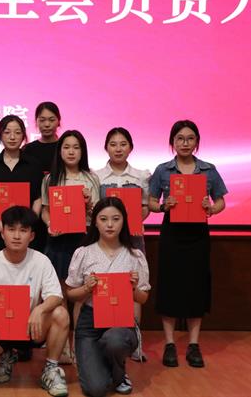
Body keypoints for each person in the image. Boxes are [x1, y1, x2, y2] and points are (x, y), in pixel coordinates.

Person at [0, 206, 70, 397]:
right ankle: (5, 355)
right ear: (2, 233)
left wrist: (39, 309)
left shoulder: (41, 261)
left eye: (23, 230)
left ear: (32, 236)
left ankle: (51, 369)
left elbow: (56, 295)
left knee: (60, 313)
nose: (16, 236)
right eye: (11, 229)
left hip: (32, 328)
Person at [148, 120, 227, 369]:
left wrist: (211, 208)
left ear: (197, 142)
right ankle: (170, 344)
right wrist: (164, 206)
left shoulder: (208, 170)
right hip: (172, 234)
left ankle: (193, 344)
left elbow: (221, 201)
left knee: (196, 285)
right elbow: (151, 201)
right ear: (172, 142)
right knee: (170, 285)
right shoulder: (163, 170)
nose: (185, 143)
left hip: (198, 235)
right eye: (180, 138)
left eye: (190, 138)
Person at [66, 197, 150, 396]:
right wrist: (86, 288)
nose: (110, 224)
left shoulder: (135, 255)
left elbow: (143, 298)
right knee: (95, 389)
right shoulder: (83, 253)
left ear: (124, 221)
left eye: (116, 219)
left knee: (115, 340)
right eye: (103, 219)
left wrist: (133, 289)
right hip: (89, 321)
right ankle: (101, 364)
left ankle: (119, 372)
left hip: (121, 321)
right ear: (95, 222)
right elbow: (70, 293)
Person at [41, 130, 99, 364]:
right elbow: (45, 210)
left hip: (82, 241)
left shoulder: (91, 178)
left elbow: (97, 213)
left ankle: (79, 344)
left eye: (76, 147)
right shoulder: (50, 179)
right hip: (58, 241)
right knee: (61, 293)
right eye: (66, 147)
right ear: (60, 151)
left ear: (82, 151)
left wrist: (88, 203)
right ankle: (63, 345)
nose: (71, 152)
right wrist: (49, 224)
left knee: (81, 294)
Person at [94, 127, 151, 362]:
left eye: (123, 144)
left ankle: (135, 341)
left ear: (131, 147)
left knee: (133, 286)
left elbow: (145, 207)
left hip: (132, 238)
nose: (118, 149)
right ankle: (104, 339)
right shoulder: (96, 176)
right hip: (105, 240)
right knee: (104, 287)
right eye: (113, 144)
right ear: (106, 147)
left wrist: (136, 219)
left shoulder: (141, 176)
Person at [0, 115, 44, 259]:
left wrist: (31, 222)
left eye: (17, 132)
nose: (12, 137)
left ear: (23, 136)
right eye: (7, 132)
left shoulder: (34, 165)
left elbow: (38, 197)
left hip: (24, 232)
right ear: (0, 135)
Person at [23, 101, 62, 174]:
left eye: (51, 120)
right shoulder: (28, 150)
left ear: (59, 121)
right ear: (36, 121)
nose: (47, 124)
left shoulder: (65, 148)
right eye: (42, 120)